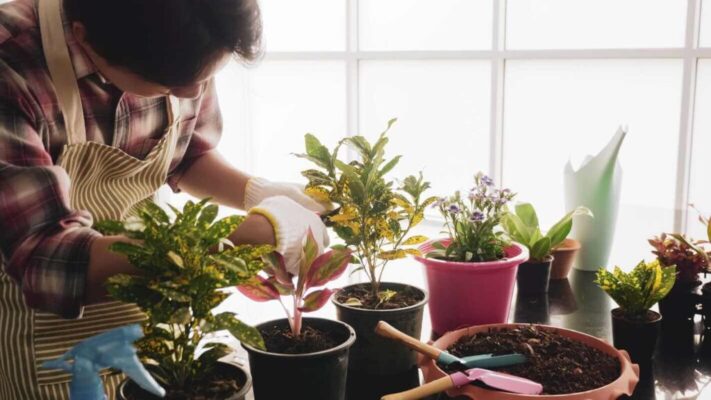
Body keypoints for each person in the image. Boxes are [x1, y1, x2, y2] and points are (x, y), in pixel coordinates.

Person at [0, 0, 330, 398]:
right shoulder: (11, 63)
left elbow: (185, 155)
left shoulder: (185, 31)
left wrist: (258, 191)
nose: (194, 92)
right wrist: (240, 238)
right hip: (55, 344)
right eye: (169, 85)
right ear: (84, 38)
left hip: (157, 325)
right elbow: (47, 259)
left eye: (205, 76)